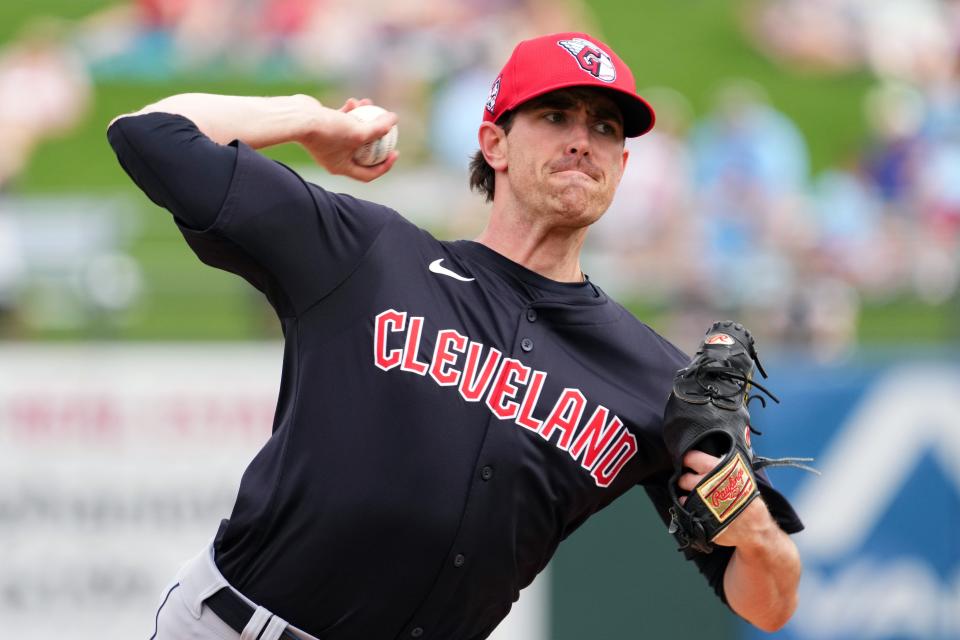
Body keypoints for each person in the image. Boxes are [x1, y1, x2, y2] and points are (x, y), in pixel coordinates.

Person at [108, 32, 803, 640]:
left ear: (621, 168)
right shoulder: (368, 254)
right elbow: (147, 134)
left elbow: (768, 606)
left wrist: (755, 533)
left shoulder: (654, 378)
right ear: (492, 142)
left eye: (606, 129)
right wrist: (310, 121)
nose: (581, 140)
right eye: (555, 115)